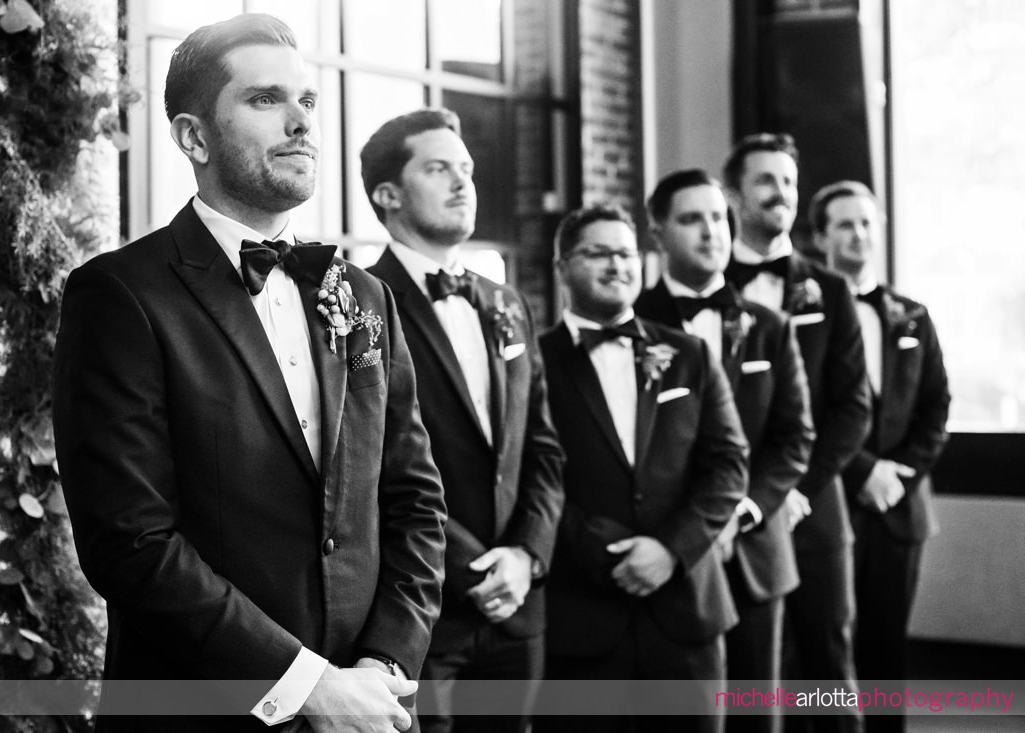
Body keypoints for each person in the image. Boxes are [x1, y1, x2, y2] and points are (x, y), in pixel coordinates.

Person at [52, 14, 446, 733]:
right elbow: (130, 540)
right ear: (194, 137)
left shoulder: (363, 296)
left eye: (308, 101)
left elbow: (415, 498)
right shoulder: (120, 296)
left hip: (372, 709)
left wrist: (387, 664)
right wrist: (306, 686)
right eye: (266, 100)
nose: (301, 122)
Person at [363, 108, 565, 733]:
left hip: (518, 610)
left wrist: (527, 556)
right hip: (419, 609)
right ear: (388, 193)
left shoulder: (507, 301)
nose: (463, 182)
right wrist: (472, 566)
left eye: (468, 169)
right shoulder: (358, 303)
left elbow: (542, 447)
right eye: (438, 168)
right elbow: (366, 464)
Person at [535, 203, 748, 733]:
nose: (617, 265)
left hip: (687, 613)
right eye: (598, 253)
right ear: (561, 266)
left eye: (626, 253)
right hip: (580, 613)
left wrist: (670, 551)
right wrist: (599, 554)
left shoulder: (690, 354)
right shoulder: (533, 361)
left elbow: (728, 466)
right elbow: (528, 477)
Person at [635, 169, 816, 733]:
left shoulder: (769, 327)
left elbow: (794, 436)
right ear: (658, 233)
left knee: (759, 711)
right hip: (670, 550)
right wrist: (694, 527)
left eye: (718, 218)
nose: (711, 231)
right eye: (691, 218)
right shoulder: (633, 325)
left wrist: (746, 508)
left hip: (755, 547)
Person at [723, 134, 872, 733]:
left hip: (815, 505)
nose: (780, 192)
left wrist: (791, 487)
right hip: (729, 508)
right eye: (765, 180)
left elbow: (853, 406)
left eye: (787, 181)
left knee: (827, 661)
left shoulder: (830, 291)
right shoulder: (706, 285)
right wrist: (749, 494)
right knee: (745, 671)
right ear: (734, 193)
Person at [810, 181, 950, 733]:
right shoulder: (802, 319)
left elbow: (935, 408)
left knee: (886, 649)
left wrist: (897, 475)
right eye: (845, 224)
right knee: (825, 650)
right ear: (821, 237)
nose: (859, 234)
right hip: (829, 501)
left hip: (900, 508)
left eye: (867, 223)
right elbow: (803, 417)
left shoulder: (912, 316)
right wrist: (861, 470)